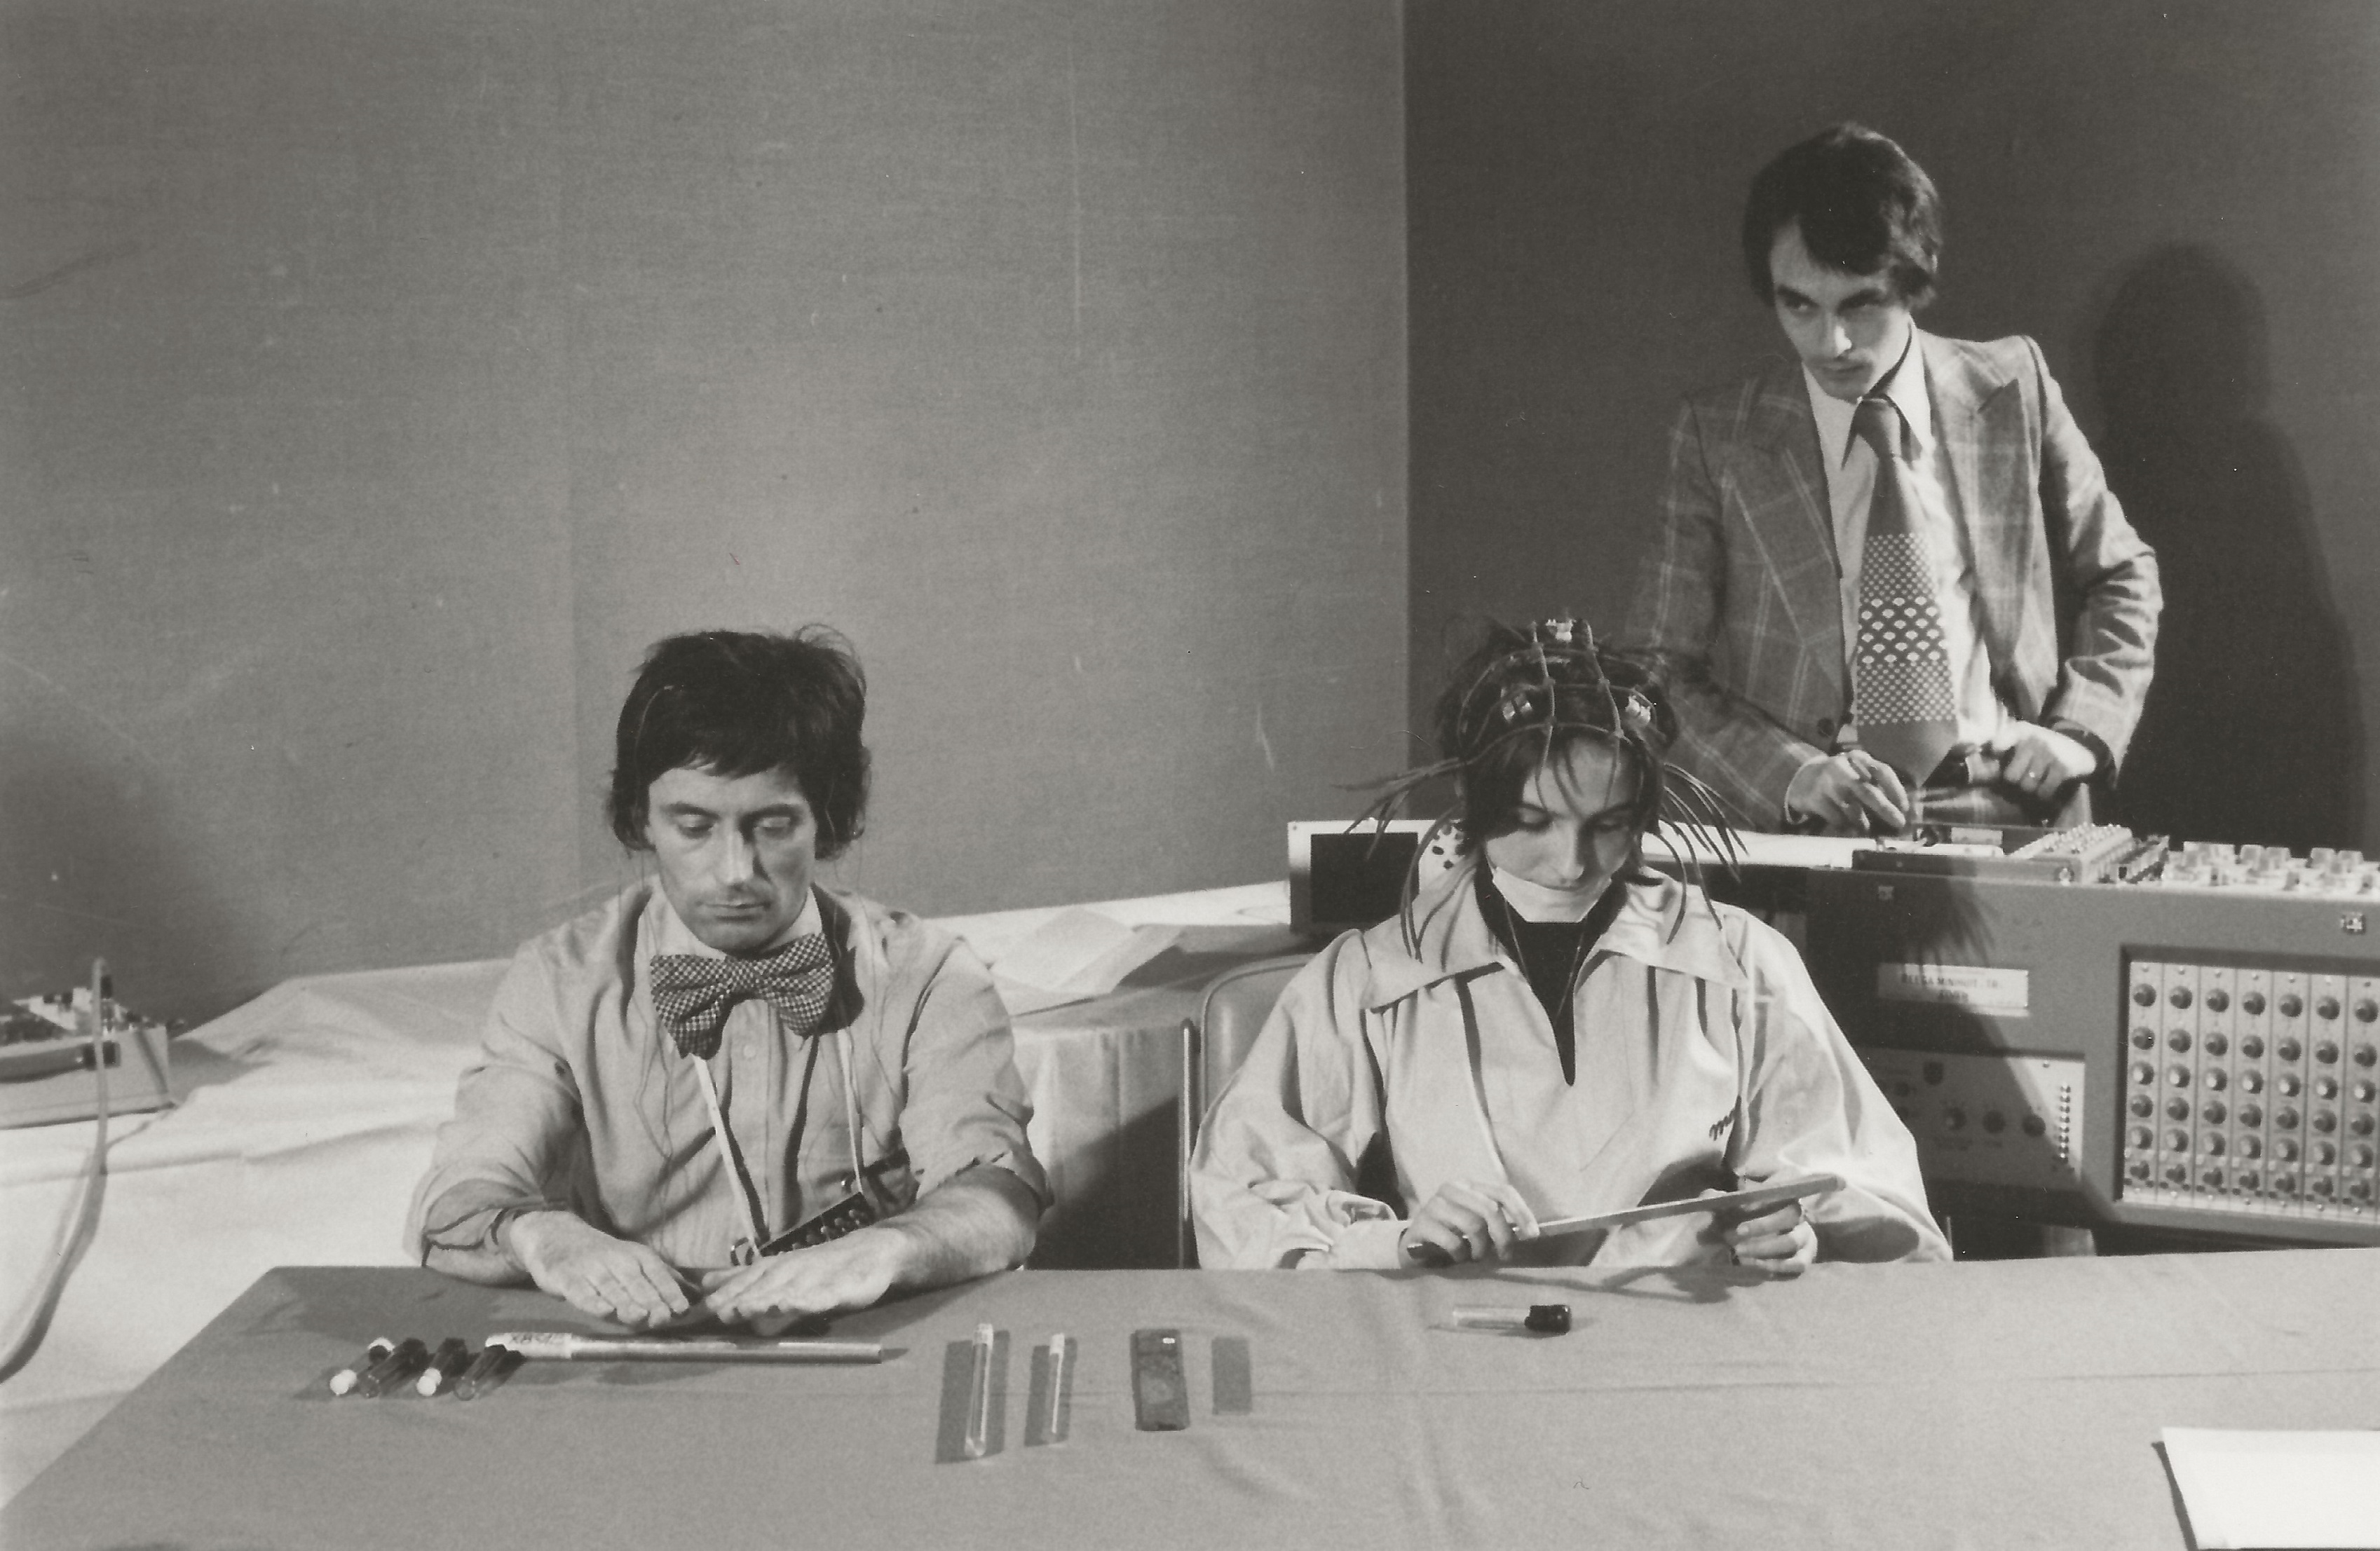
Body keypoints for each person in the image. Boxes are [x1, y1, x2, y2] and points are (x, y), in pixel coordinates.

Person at [1190, 618, 1947, 1272]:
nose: (1570, 864)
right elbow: (1242, 1202)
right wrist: (1396, 1240)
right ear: (1474, 804)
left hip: (1682, 1339)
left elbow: (1871, 1192)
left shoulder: (1739, 963)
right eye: (1533, 822)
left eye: (1608, 825)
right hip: (1465, 1342)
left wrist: (1801, 1232)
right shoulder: (1370, 979)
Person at [407, 628, 1047, 1327]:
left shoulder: (930, 975)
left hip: (863, 1345)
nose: (735, 872)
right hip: (637, 1352)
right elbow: (458, 1199)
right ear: (640, 819)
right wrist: (541, 1236)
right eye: (694, 827)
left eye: (772, 826)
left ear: (827, 818)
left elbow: (999, 1197)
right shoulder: (556, 982)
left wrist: (890, 1248)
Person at [1624, 123, 2160, 835]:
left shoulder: (2011, 388)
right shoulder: (1717, 437)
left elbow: (2122, 574)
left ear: (1913, 279)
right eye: (1798, 305)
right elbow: (1653, 672)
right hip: (1815, 826)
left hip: (2013, 806)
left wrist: (2081, 731)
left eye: (1859, 303)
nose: (1831, 343)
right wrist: (1793, 775)